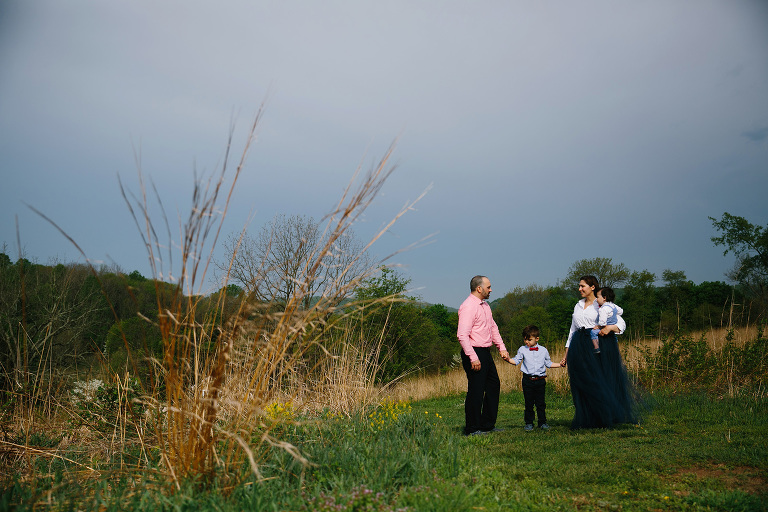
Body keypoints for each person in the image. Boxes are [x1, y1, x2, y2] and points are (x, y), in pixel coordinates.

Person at [560, 275, 637, 429]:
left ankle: (605, 416)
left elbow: (621, 323)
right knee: (581, 381)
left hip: (597, 345)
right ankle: (587, 417)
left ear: (592, 287)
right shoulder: (578, 305)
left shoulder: (602, 303)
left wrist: (609, 328)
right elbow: (572, 330)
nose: (579, 289)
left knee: (599, 380)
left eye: (583, 286)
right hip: (578, 345)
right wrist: (566, 354)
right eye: (579, 286)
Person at [457, 275, 510, 436]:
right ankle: (472, 428)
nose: (491, 290)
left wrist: (501, 347)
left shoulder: (485, 306)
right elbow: (462, 335)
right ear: (479, 288)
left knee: (493, 386)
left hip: (486, 352)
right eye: (488, 287)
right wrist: (473, 357)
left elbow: (493, 328)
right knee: (476, 390)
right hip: (473, 352)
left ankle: (487, 424)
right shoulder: (468, 306)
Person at [507, 325, 562, 431]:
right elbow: (516, 361)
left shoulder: (543, 350)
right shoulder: (522, 349)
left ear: (537, 339)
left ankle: (542, 422)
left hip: (540, 380)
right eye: (525, 339)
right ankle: (529, 423)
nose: (526, 342)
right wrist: (508, 359)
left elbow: (549, 363)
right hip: (527, 381)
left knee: (541, 403)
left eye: (529, 339)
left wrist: (560, 364)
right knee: (529, 403)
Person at [590, 287, 624, 354]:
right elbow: (620, 311)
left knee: (593, 332)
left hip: (605, 327)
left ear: (604, 298)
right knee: (613, 337)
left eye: (598, 297)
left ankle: (596, 348)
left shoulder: (603, 309)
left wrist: (598, 326)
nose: (596, 299)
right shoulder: (613, 306)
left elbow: (602, 323)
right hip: (612, 328)